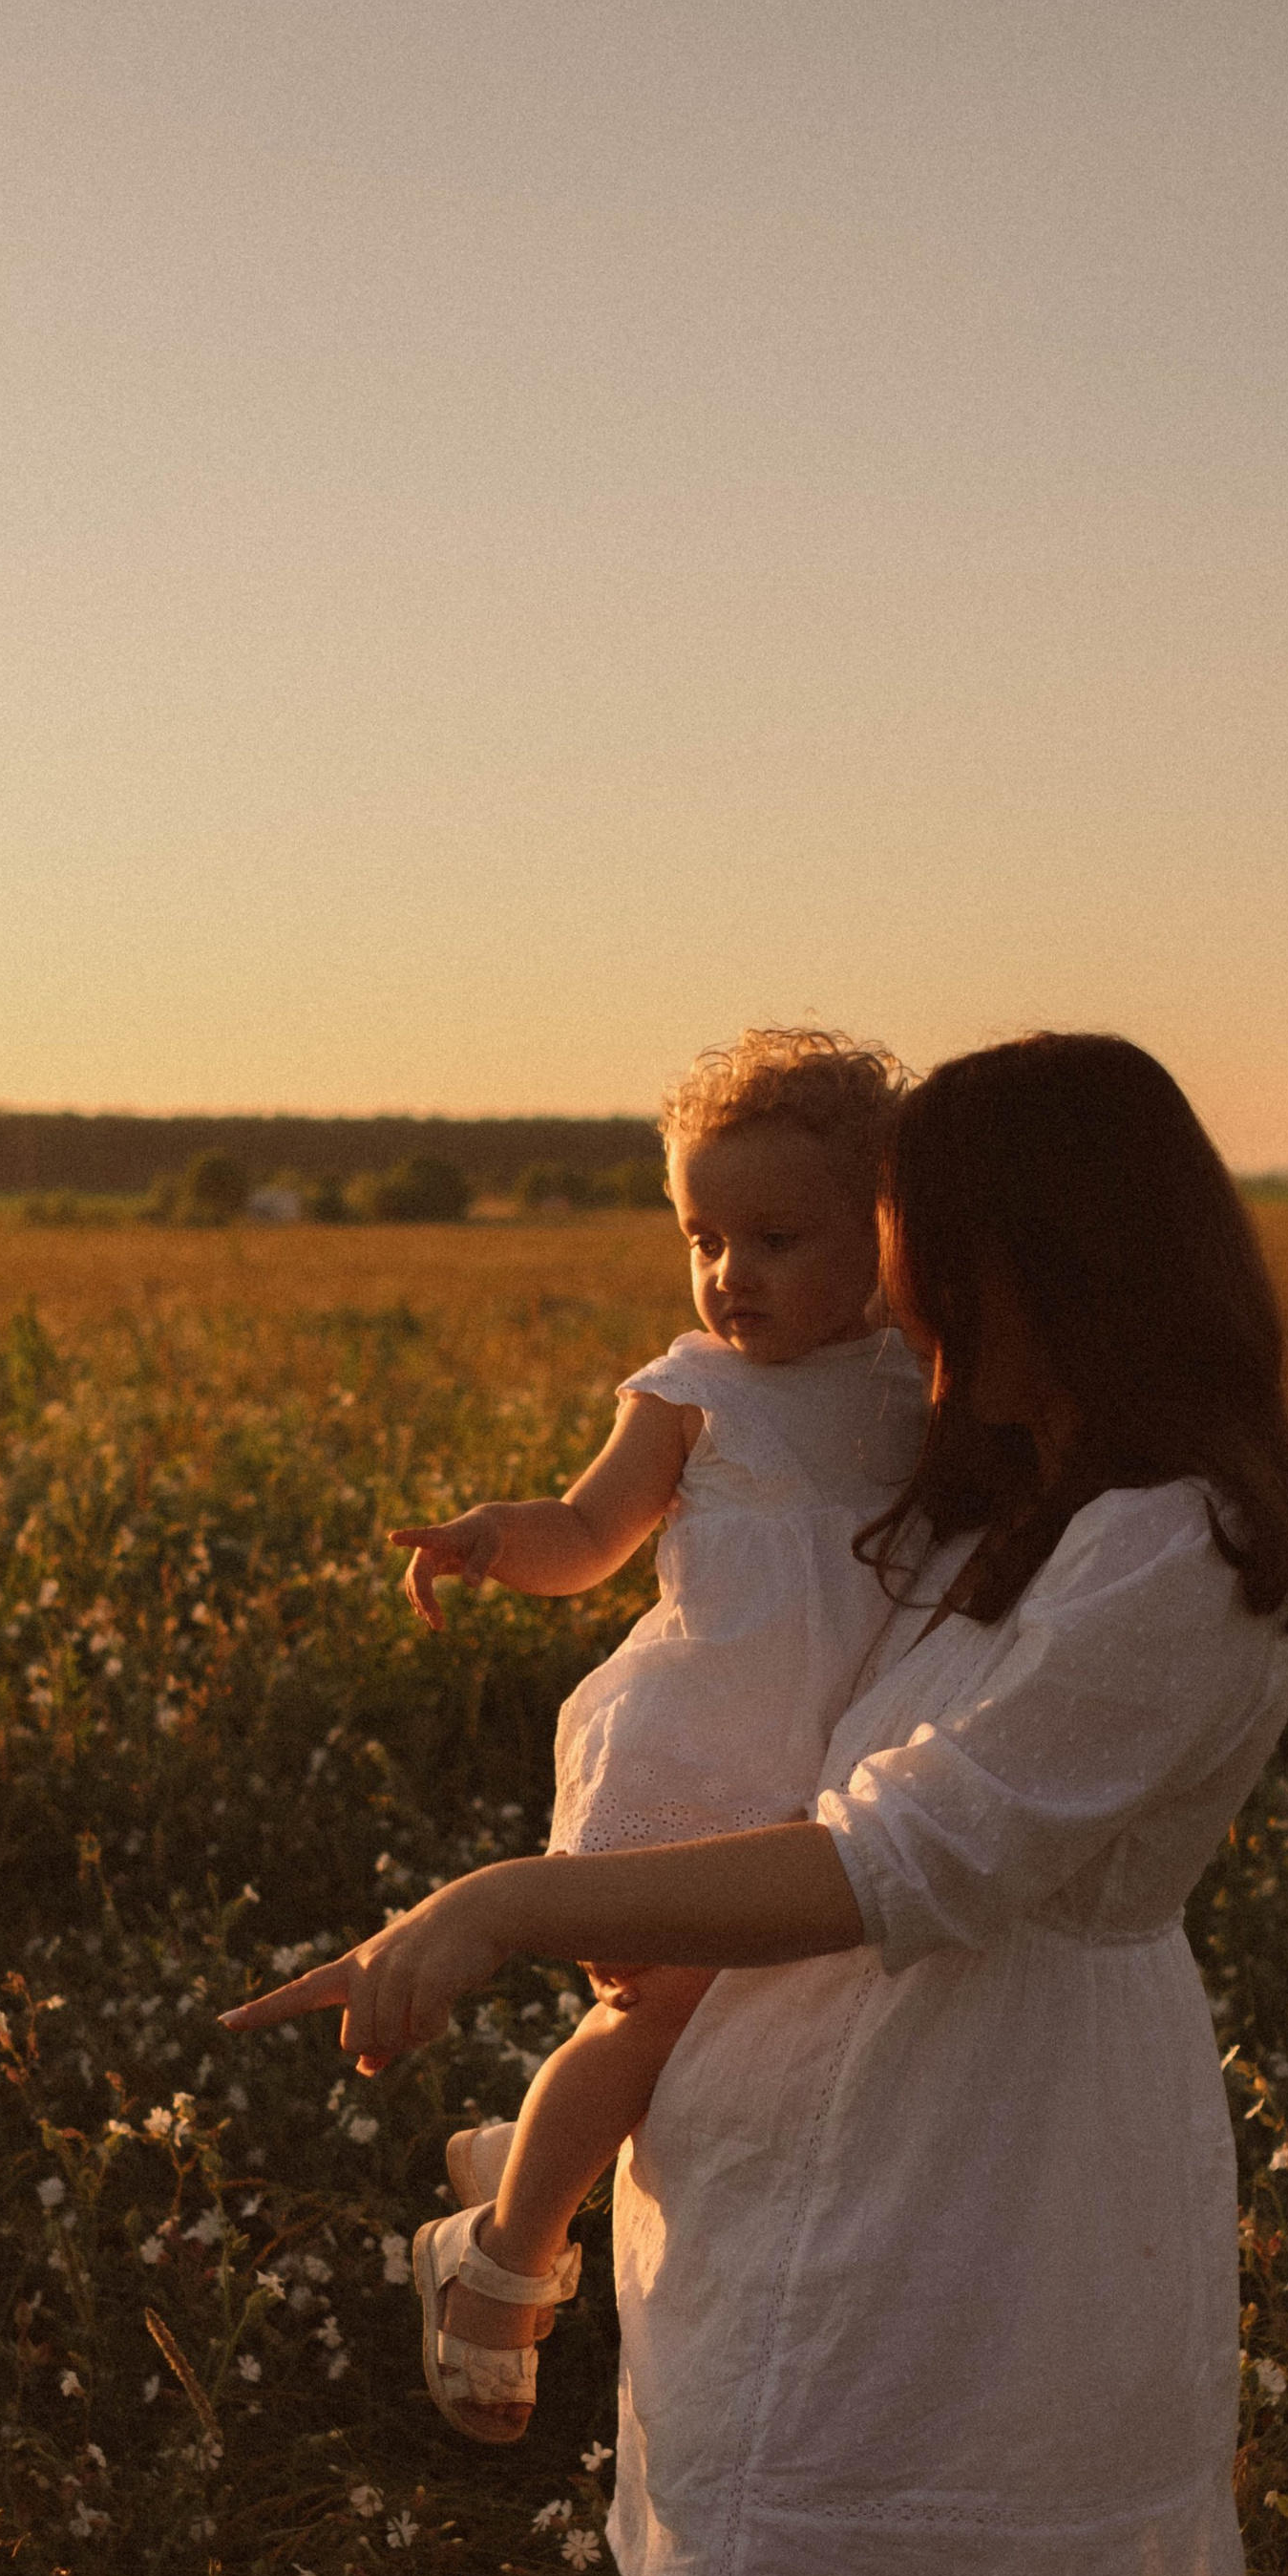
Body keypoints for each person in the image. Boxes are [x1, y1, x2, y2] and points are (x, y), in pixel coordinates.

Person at [225, 1032, 1288, 2576]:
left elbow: (898, 1859)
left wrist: (505, 1905)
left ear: (1046, 1259)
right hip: (803, 2154)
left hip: (944, 2189)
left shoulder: (1177, 1549)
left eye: (917, 1255)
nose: (885, 1306)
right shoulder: (1013, 1489)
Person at [384, 1027, 923, 2445]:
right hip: (699, 1754)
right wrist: (496, 1541)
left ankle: (528, 2154)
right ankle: (501, 2261)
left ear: (884, 1226)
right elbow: (588, 1533)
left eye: (776, 1239)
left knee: (762, 2041)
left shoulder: (925, 1382)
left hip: (847, 1763)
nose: (730, 1273)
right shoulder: (694, 1390)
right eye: (702, 1238)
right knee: (659, 2010)